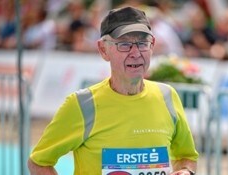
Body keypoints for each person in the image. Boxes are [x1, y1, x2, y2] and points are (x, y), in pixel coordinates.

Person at [28, 6, 198, 175]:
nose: (135, 52)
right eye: (124, 44)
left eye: (142, 43)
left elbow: (187, 155)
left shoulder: (167, 96)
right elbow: (39, 163)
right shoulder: (82, 105)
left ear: (152, 45)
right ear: (103, 49)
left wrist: (185, 171)